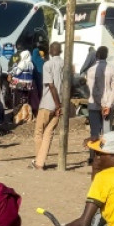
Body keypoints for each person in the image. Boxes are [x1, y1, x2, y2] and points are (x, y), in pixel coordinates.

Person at [32, 42, 63, 170]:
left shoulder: (48, 64)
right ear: (60, 51)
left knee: (39, 132)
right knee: (49, 134)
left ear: (50, 51)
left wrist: (57, 105)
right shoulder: (66, 65)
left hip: (48, 103)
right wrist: (61, 105)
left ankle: (39, 161)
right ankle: (40, 162)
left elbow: (51, 85)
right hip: (61, 103)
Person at [85, 46, 114, 163]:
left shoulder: (90, 70)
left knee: (94, 131)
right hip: (107, 106)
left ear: (97, 56)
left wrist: (98, 102)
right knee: (107, 132)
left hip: (94, 105)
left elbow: (91, 89)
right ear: (107, 55)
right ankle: (105, 155)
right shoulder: (113, 69)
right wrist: (108, 105)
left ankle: (92, 157)